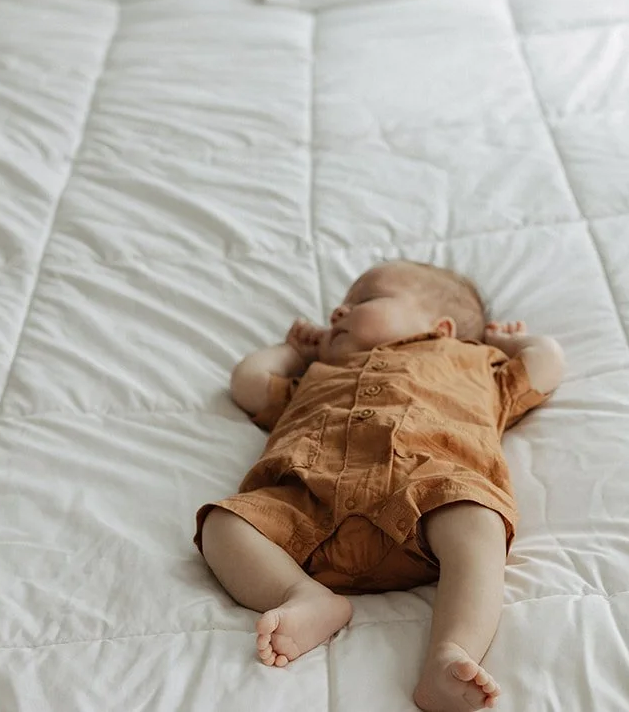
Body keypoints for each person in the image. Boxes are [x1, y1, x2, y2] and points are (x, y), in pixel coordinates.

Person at [195, 259, 565, 711]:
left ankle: (453, 650)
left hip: (425, 493)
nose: (337, 312)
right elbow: (249, 384)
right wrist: (292, 351)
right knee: (224, 522)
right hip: (310, 504)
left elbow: (545, 365)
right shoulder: (317, 375)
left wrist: (512, 341)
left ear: (442, 328)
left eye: (363, 301)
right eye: (341, 305)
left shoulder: (476, 362)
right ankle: (304, 596)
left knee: (477, 518)